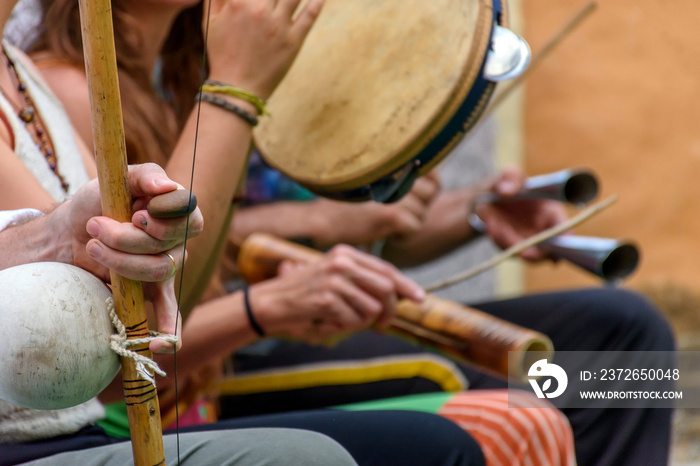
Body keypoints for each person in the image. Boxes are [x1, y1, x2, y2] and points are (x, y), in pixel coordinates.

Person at [0, 1, 494, 465]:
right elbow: (129, 334)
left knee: (514, 402)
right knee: (475, 427)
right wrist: (234, 91)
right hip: (123, 414)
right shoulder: (70, 81)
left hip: (146, 406)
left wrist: (479, 210)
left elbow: (151, 291)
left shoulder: (26, 77)